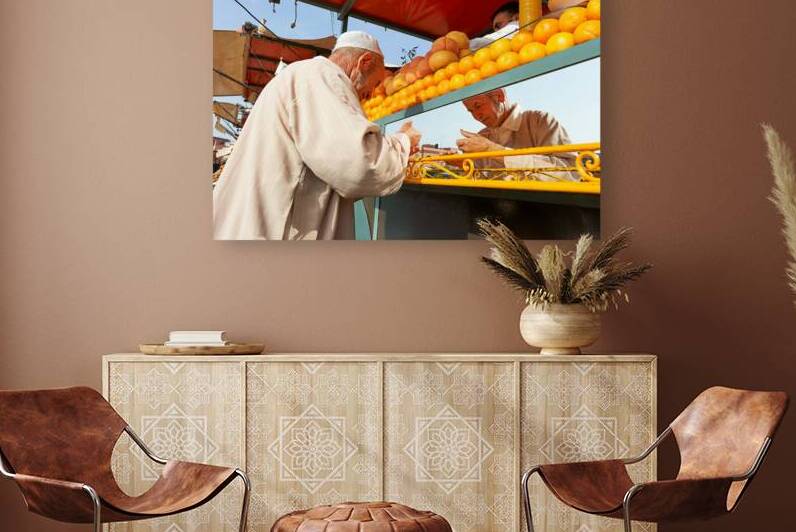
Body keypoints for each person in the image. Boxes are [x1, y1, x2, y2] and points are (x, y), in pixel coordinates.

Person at [213, 31, 421, 240]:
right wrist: (403, 142)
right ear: (364, 62)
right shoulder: (322, 77)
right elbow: (357, 163)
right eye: (375, 84)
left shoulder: (304, 75)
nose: (371, 93)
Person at [457, 88, 577, 181]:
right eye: (471, 111)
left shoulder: (540, 121)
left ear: (499, 96)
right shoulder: (482, 136)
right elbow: (481, 181)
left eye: (478, 106)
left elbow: (570, 174)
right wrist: (462, 164)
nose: (477, 116)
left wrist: (492, 149)